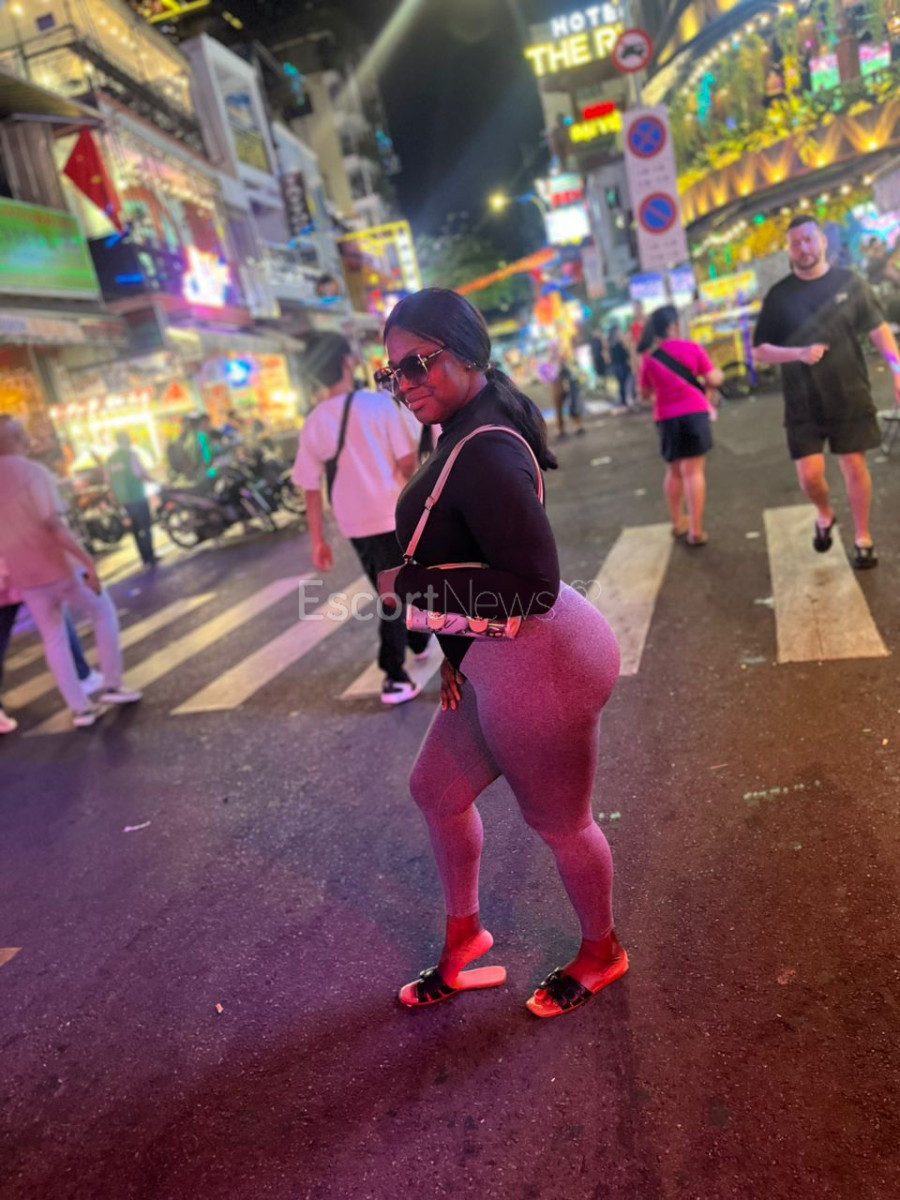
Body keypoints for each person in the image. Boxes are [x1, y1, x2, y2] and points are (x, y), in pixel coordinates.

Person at [375, 288, 627, 1019]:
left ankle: (603, 951)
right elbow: (470, 555)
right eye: (392, 372)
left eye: (418, 364)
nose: (406, 384)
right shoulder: (457, 426)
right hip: (495, 657)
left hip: (541, 662)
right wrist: (454, 659)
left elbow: (534, 585)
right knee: (436, 792)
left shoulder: (483, 448)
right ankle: (465, 941)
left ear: (466, 352)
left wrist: (410, 585)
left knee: (560, 823)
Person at [753, 214, 900, 568]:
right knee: (810, 476)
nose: (803, 248)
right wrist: (798, 353)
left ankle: (863, 538)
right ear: (789, 250)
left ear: (822, 242)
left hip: (849, 392)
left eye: (808, 240)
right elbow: (759, 352)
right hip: (802, 401)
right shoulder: (779, 296)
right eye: (795, 243)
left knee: (854, 465)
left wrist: (897, 369)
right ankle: (824, 513)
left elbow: (878, 329)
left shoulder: (851, 282)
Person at [291, 331, 430, 705]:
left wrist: (318, 540)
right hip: (391, 514)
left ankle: (418, 639)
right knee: (394, 595)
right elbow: (407, 464)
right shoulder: (379, 406)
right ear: (346, 363)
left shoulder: (314, 421)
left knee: (390, 589)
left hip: (353, 524)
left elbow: (310, 488)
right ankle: (394, 676)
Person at [0, 416, 142, 728]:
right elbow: (53, 524)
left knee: (54, 638)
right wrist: (87, 561)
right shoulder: (33, 472)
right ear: (18, 437)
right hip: (58, 566)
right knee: (102, 611)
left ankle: (80, 710)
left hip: (26, 577)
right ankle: (113, 686)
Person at [638, 305, 724, 546]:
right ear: (674, 326)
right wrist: (718, 375)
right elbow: (713, 378)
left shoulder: (650, 358)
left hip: (666, 418)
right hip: (695, 413)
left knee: (674, 471)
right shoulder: (692, 348)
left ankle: (678, 522)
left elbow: (644, 393)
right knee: (694, 472)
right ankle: (696, 531)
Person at [106, 432, 158, 568]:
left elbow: (109, 481)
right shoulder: (130, 455)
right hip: (137, 496)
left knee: (134, 530)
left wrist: (115, 499)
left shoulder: (111, 460)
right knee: (145, 526)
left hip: (123, 500)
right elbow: (140, 473)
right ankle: (150, 555)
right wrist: (154, 481)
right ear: (128, 441)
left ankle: (144, 557)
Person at [608, 326, 633, 408]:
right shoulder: (616, 344)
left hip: (622, 366)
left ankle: (624, 400)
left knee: (624, 384)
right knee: (622, 384)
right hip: (619, 366)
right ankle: (623, 401)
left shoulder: (619, 344)